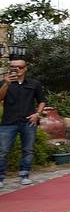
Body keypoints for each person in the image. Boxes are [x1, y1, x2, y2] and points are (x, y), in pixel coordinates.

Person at [0, 59, 46, 188]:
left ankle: (24, 174)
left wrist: (37, 114)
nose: (16, 69)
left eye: (19, 67)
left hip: (28, 122)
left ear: (25, 68)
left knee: (28, 150)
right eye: (13, 67)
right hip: (8, 122)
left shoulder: (34, 84)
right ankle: (0, 177)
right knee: (3, 151)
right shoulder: (4, 83)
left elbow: (42, 100)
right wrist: (6, 84)